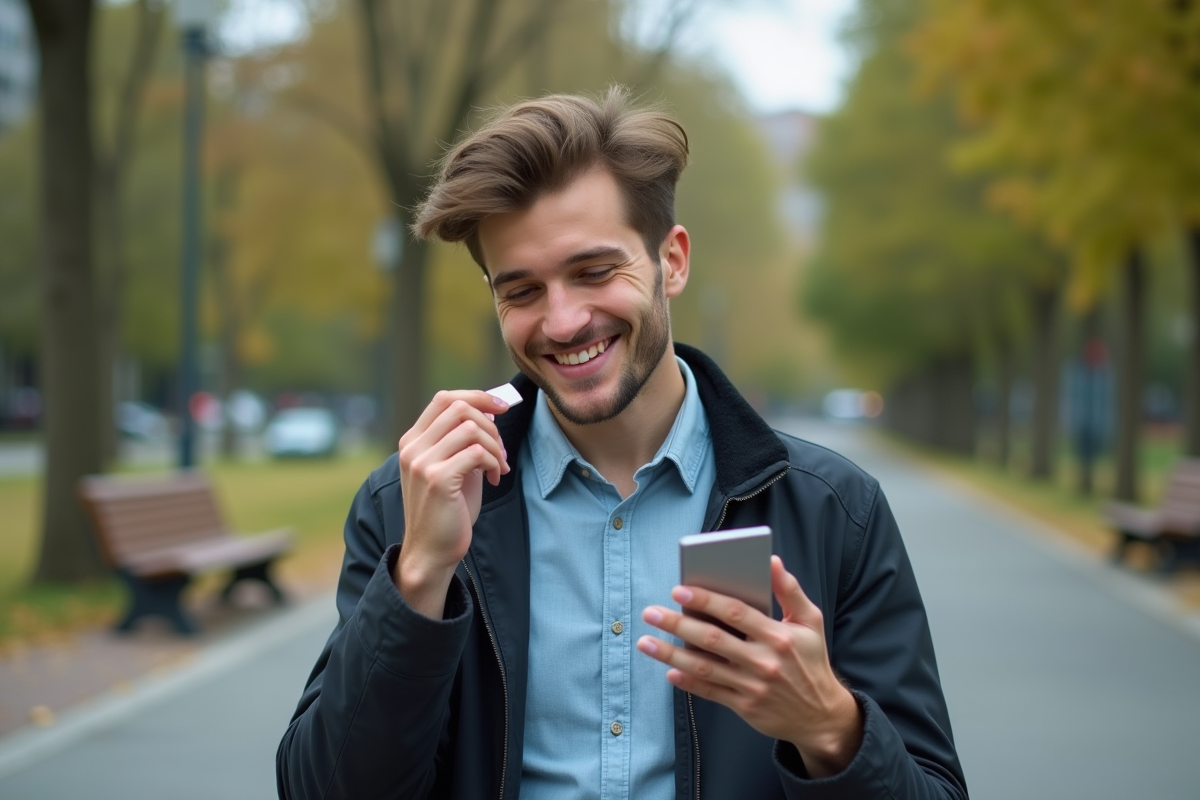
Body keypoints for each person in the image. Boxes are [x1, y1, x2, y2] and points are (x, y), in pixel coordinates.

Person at [277, 87, 968, 800]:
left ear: (671, 261)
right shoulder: (410, 504)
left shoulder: (833, 511)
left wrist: (829, 725)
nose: (564, 320)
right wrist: (419, 574)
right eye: (521, 291)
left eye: (595, 272)